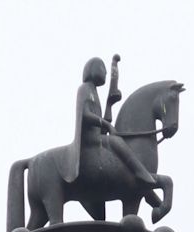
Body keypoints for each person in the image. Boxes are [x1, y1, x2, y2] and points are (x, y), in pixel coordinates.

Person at [62, 58, 159, 195]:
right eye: (103, 70)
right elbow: (85, 114)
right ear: (93, 69)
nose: (106, 74)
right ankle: (139, 172)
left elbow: (102, 122)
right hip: (89, 140)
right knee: (115, 141)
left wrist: (109, 104)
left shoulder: (94, 93)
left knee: (115, 143)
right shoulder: (84, 89)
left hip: (98, 137)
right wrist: (106, 124)